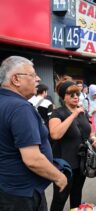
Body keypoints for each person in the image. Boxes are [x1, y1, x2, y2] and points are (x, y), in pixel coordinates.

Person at [0, 56, 67, 211]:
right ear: (16, 79)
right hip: (22, 195)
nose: (38, 78)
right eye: (33, 75)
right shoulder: (20, 108)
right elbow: (32, 159)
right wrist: (58, 176)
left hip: (7, 188)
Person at [49, 80, 96, 210]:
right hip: (64, 164)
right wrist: (73, 114)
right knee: (60, 198)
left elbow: (90, 130)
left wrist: (93, 138)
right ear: (63, 97)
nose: (76, 97)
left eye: (77, 93)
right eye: (71, 94)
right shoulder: (57, 113)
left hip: (81, 161)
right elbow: (55, 134)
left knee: (76, 196)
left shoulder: (83, 112)